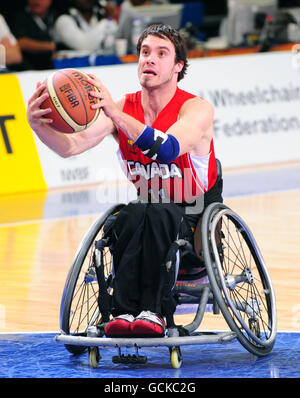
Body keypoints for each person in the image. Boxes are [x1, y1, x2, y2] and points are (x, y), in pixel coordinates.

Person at [27, 24, 223, 337]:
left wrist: (116, 116)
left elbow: (168, 149)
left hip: (193, 216)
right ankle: (122, 312)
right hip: (148, 210)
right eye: (145, 52)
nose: (150, 59)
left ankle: (152, 312)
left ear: (178, 67)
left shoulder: (195, 108)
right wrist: (38, 126)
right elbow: (72, 146)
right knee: (127, 214)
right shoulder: (123, 107)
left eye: (161, 54)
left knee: (156, 209)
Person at [10, 0, 58, 70]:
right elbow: (21, 43)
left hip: (55, 66)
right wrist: (52, 46)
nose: (37, 1)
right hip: (29, 68)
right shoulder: (20, 17)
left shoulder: (56, 15)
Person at [53, 0, 118, 52]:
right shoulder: (64, 20)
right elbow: (84, 46)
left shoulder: (100, 16)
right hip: (72, 67)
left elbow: (115, 41)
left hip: (100, 67)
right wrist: (107, 20)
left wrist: (109, 18)